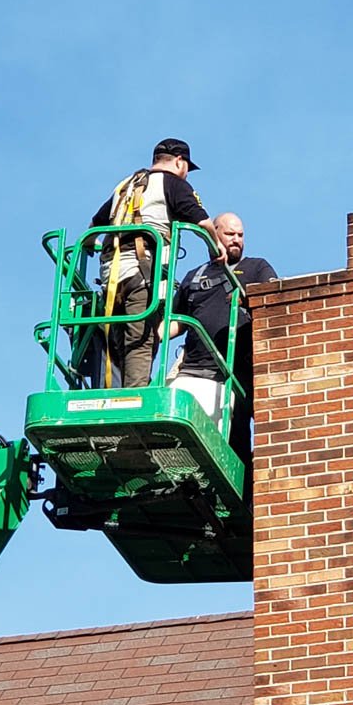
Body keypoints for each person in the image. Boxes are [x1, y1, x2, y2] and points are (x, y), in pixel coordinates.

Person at [88, 139, 226, 388]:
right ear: (179, 161)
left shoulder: (128, 185)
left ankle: (118, 394)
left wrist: (90, 245)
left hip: (111, 275)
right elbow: (204, 223)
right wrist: (215, 248)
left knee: (119, 341)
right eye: (186, 167)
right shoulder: (173, 184)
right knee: (141, 339)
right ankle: (134, 397)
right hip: (141, 273)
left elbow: (94, 226)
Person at [164, 212, 276, 495]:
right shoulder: (194, 276)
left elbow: (272, 302)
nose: (236, 240)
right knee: (176, 431)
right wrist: (148, 329)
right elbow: (174, 324)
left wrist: (246, 299)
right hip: (193, 371)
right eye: (230, 234)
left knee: (232, 445)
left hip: (232, 375)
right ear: (214, 234)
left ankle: (240, 498)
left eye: (240, 235)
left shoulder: (257, 268)